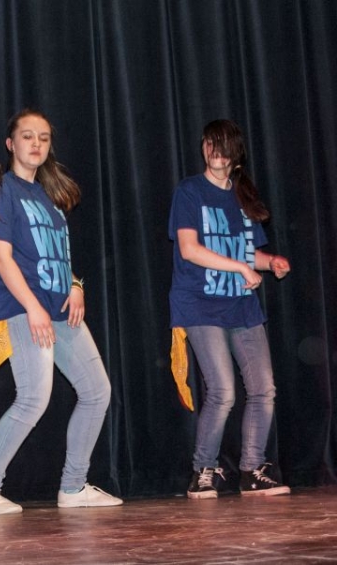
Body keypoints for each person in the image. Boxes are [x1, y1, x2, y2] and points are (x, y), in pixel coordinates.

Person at [0, 109, 122, 515]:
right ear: (10, 144)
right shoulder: (1, 189)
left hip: (58, 310)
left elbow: (52, 256)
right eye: (27, 136)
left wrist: (77, 284)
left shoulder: (48, 198)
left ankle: (73, 487)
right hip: (23, 309)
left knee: (97, 391)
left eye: (43, 137)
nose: (36, 143)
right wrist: (33, 307)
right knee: (33, 398)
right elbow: (1, 258)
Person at [169, 119, 291, 499]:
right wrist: (240, 266)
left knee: (263, 388)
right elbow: (189, 249)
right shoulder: (190, 191)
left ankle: (252, 469)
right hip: (200, 302)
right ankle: (203, 469)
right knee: (222, 390)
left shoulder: (243, 199)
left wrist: (269, 262)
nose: (214, 150)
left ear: (235, 154)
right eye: (209, 142)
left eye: (221, 144)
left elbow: (247, 253)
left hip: (241, 305)